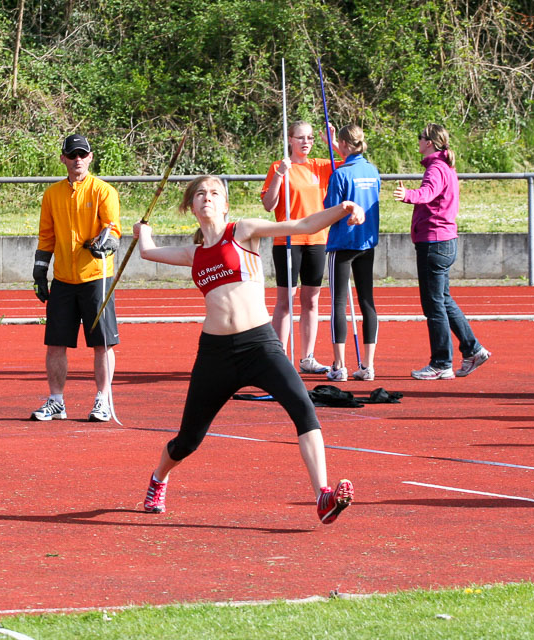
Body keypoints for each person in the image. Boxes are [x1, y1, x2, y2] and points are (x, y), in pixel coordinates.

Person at [133, 175, 361, 523]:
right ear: (191, 206)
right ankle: (158, 478)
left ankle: (323, 496)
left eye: (214, 193)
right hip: (215, 354)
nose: (207, 198)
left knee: (303, 409)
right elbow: (148, 252)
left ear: (225, 205)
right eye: (200, 194)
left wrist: (342, 209)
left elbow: (301, 224)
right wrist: (142, 231)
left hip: (260, 345)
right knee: (187, 441)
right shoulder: (193, 253)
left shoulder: (242, 232)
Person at [31, 133, 122, 422]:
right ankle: (56, 401)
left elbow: (113, 228)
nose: (77, 160)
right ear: (63, 158)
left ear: (90, 158)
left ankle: (102, 400)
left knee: (102, 343)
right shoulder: (52, 194)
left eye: (82, 154)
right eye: (72, 155)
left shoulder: (103, 191)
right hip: (63, 280)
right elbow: (46, 235)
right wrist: (40, 269)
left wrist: (105, 242)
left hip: (96, 277)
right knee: (56, 343)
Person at [393, 123, 490, 380]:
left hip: (434, 242)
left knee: (433, 303)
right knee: (443, 299)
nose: (418, 141)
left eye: (420, 137)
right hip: (443, 241)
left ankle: (440, 362)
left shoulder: (436, 169)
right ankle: (472, 349)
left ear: (430, 142)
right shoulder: (445, 167)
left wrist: (408, 195)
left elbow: (428, 193)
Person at [261, 121, 341, 375]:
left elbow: (350, 163)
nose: (306, 142)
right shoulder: (278, 166)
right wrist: (279, 175)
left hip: (317, 239)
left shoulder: (321, 166)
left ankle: (308, 357)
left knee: (312, 301)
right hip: (288, 239)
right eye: (300, 138)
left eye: (310, 138)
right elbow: (268, 205)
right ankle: (278, 356)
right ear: (291, 140)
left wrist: (333, 143)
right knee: (285, 300)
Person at [322, 124, 381, 382]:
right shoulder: (372, 170)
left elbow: (330, 209)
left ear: (344, 145)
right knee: (367, 301)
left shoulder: (340, 174)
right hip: (367, 243)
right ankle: (367, 366)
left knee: (338, 302)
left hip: (343, 243)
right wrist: (332, 142)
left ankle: (339, 365)